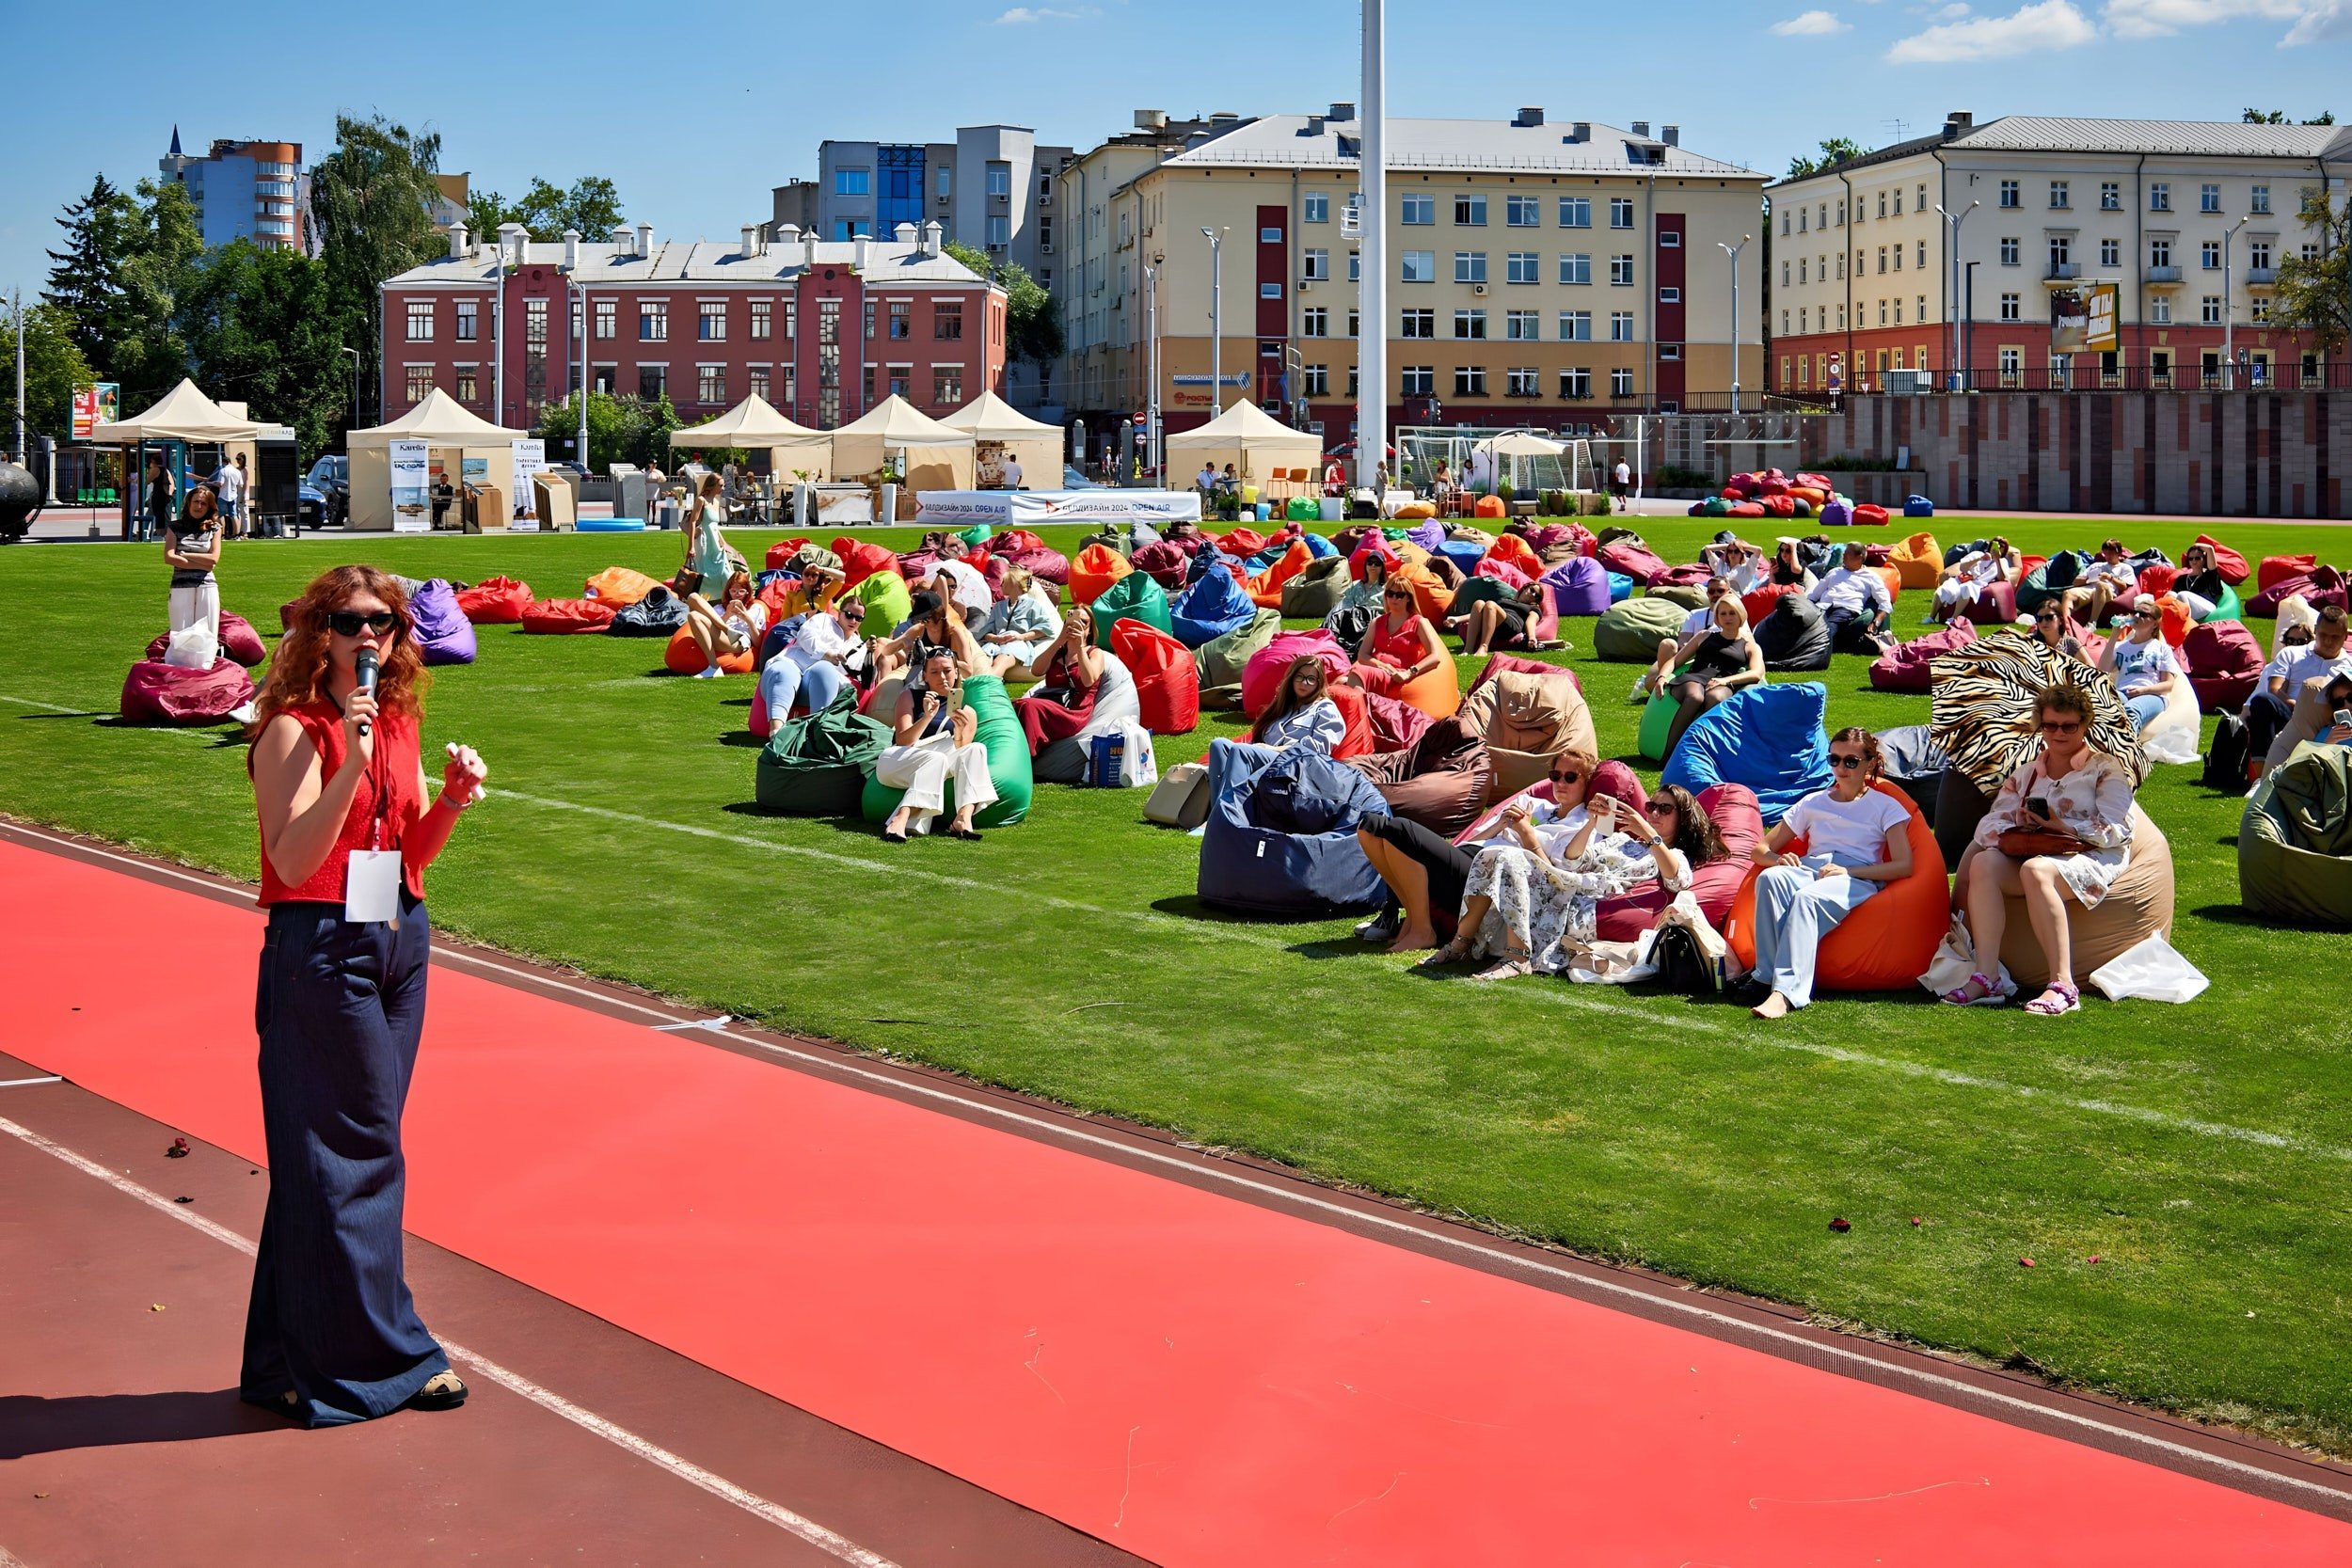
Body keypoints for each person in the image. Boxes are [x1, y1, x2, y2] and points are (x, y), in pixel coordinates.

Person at [243, 564, 489, 1424]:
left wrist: (452, 800)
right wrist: (347, 756)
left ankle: (281, 1357)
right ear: (318, 634)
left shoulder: (402, 722)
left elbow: (408, 854)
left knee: (333, 1156)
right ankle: (394, 1355)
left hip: (396, 939)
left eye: (383, 622)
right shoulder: (292, 732)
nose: (369, 637)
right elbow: (297, 857)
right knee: (361, 1154)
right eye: (349, 622)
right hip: (322, 950)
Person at [1944, 681, 2137, 1017]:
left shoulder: (2106, 769)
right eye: (2050, 725)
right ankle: (1988, 977)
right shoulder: (2027, 773)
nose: (2058, 733)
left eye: (2068, 726)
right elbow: (1989, 825)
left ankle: (2063, 984)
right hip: (2038, 849)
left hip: (2089, 853)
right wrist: (2020, 822)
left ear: (2085, 724)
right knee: (1985, 863)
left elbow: (2117, 829)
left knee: (2036, 870)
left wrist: (2062, 826)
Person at [1356, 749, 1603, 953]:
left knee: (1400, 829)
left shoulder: (1580, 826)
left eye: (1570, 777)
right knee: (1371, 827)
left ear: (1587, 782)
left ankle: (1422, 931)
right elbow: (1470, 839)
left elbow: (1554, 878)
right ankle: (1412, 920)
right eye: (1555, 775)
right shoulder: (1535, 804)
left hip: (1488, 876)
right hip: (1470, 855)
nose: (1560, 783)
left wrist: (1526, 834)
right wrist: (1499, 825)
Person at [1745, 728, 1914, 1019]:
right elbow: (1760, 850)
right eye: (1834, 760)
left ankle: (1785, 994)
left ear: (1870, 763)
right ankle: (1766, 975)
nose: (1841, 768)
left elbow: (1904, 865)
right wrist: (1777, 859)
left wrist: (1847, 870)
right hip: (1813, 867)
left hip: (1857, 877)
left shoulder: (1886, 806)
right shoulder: (1813, 802)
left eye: (1851, 761)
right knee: (1770, 879)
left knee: (1807, 899)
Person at [877, 649, 995, 842]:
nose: (942, 677)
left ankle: (963, 818)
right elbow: (903, 741)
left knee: (977, 749)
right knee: (936, 758)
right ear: (925, 675)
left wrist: (958, 733)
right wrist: (927, 717)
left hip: (938, 764)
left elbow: (961, 757)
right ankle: (901, 817)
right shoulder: (910, 697)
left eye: (947, 670)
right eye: (934, 672)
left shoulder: (967, 712)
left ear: (956, 672)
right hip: (898, 761)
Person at [1652, 595, 1767, 758]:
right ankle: (1670, 755)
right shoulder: (1704, 636)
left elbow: (1757, 673)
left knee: (1716, 697)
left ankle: (1706, 755)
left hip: (1723, 683)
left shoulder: (1750, 646)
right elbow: (1676, 660)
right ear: (1717, 618)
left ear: (1741, 615)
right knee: (1695, 696)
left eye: (1732, 613)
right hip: (1693, 678)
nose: (1728, 618)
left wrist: (1725, 680)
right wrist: (1662, 676)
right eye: (1723, 614)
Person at [2246, 605, 2352, 758]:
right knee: (2263, 701)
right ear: (2315, 630)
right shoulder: (2292, 654)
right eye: (2323, 635)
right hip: (2291, 715)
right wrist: (2301, 706)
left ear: (2345, 636)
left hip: (2325, 722)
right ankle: (2260, 771)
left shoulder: (2348, 667)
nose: (2328, 641)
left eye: (2334, 637)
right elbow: (2275, 689)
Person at [1013, 603, 1114, 753]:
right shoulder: (1059, 653)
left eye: (1084, 622)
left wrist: (1080, 647)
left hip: (1073, 713)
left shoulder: (1094, 653)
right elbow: (1036, 670)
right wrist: (1060, 640)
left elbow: (1088, 680)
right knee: (1013, 705)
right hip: (1050, 706)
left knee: (1029, 706)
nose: (1078, 625)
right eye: (1073, 621)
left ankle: (1027, 756)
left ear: (1090, 630)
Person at [759, 594, 866, 722]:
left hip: (819, 684)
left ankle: (816, 730)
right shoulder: (823, 620)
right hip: (793, 664)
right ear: (839, 612)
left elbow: (857, 672)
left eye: (859, 618)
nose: (853, 621)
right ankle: (775, 733)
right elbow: (805, 636)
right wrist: (826, 654)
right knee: (785, 672)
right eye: (849, 615)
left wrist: (871, 654)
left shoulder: (858, 645)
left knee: (824, 670)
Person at [1352, 578, 1450, 698]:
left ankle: (1361, 710)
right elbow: (1362, 655)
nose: (1394, 599)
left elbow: (1435, 657)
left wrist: (1410, 672)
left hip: (1398, 675)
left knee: (1356, 673)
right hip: (1376, 670)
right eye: (1390, 594)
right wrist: (1383, 666)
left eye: (1399, 595)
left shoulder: (1418, 622)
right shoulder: (1376, 622)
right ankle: (1364, 706)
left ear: (1408, 598)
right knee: (1339, 682)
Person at [2099, 600, 2183, 731]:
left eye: (2143, 614)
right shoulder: (2120, 647)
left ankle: (2127, 748)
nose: (2137, 616)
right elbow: (2101, 670)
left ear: (2155, 624)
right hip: (2123, 692)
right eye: (2134, 613)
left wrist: (2143, 690)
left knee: (2131, 711)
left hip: (2152, 696)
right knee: (2104, 706)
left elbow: (2168, 685)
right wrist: (2114, 635)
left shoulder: (2161, 648)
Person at [164, 483, 225, 659]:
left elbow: (213, 560)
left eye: (203, 503)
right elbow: (169, 558)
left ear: (209, 507)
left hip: (207, 586)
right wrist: (201, 562)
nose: (199, 506)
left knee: (208, 632)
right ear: (188, 504)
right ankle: (181, 669)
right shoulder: (175, 527)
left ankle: (206, 666)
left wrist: (184, 554)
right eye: (196, 502)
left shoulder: (215, 528)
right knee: (180, 632)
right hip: (180, 586)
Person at [1808, 541, 1895, 656]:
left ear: (1859, 557)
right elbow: (1815, 594)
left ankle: (1812, 651)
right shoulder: (1834, 572)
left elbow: (1884, 601)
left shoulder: (1871, 577)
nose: (1843, 556)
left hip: (1846, 609)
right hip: (1823, 606)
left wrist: (1876, 622)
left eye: (1847, 554)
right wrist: (1805, 605)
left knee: (1828, 628)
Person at [1248, 657, 1348, 752]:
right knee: (1233, 748)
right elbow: (1258, 738)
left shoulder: (1325, 709)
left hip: (1294, 763)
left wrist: (1273, 749)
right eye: (1299, 677)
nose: (1304, 683)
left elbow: (1320, 748)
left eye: (1311, 679)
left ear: (1319, 683)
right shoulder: (1284, 704)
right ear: (1291, 678)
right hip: (1264, 757)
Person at [683, 571, 769, 679]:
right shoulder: (719, 608)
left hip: (738, 642)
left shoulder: (756, 608)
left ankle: (714, 667)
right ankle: (714, 666)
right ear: (728, 592)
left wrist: (747, 618)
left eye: (741, 591)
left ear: (748, 592)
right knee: (693, 606)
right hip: (720, 635)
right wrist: (727, 615)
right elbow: (709, 626)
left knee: (696, 613)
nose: (737, 594)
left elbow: (757, 643)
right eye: (733, 591)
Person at [977, 566, 1062, 665]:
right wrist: (996, 638)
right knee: (981, 660)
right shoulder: (999, 606)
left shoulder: (1033, 605)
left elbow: (1044, 630)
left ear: (1013, 584)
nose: (1001, 585)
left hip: (1017, 645)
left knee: (1000, 661)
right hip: (995, 644)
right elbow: (986, 632)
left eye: (1004, 582)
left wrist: (1020, 637)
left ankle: (992, 677)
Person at [1931, 535, 2019, 625]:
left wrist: (1997, 560)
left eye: (2002, 546)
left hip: (1978, 584)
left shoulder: (2002, 562)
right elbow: (1963, 567)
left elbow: (2002, 578)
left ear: (2005, 550)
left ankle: (1954, 618)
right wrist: (1979, 559)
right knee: (1945, 588)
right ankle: (1931, 617)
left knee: (1966, 588)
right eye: (1996, 544)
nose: (1998, 547)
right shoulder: (1977, 554)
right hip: (1963, 579)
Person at [678, 473, 738, 595]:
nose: (723, 488)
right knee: (702, 573)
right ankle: (701, 599)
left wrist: (724, 543)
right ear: (712, 486)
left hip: (715, 542)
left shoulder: (716, 502)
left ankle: (724, 598)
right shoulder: (701, 500)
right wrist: (691, 547)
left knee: (725, 571)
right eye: (720, 485)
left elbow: (715, 527)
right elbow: (693, 522)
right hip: (703, 542)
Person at [2063, 537, 2138, 626]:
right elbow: (2076, 582)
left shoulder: (2125, 568)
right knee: (2068, 593)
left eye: (2111, 553)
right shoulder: (2096, 565)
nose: (2108, 556)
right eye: (2105, 553)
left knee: (2101, 585)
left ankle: (2092, 623)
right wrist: (2090, 578)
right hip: (2089, 590)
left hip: (2108, 593)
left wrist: (2110, 578)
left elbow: (2124, 586)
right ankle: (2066, 623)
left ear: (2118, 553)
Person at [2173, 543, 2229, 622]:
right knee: (2170, 594)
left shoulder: (2209, 575)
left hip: (2206, 605)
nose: (2194, 561)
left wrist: (2196, 545)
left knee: (2182, 594)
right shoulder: (2181, 579)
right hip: (2189, 608)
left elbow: (2209, 549)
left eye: (2197, 558)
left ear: (2204, 559)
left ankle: (2187, 625)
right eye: (2191, 559)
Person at [2027, 600, 2091, 661]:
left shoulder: (2070, 644)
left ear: (2060, 620)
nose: (2044, 622)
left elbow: (2091, 667)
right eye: (2039, 618)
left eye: (2049, 617)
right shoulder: (2029, 642)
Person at [141, 455, 176, 544]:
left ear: (153, 462)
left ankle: (153, 533)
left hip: (159, 496)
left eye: (151, 462)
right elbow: (172, 483)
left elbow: (147, 481)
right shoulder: (166, 470)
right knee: (165, 516)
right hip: (167, 497)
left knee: (158, 516)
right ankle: (162, 533)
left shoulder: (156, 470)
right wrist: (169, 494)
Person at [213, 452, 246, 539]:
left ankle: (222, 534)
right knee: (234, 515)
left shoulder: (223, 471)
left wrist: (212, 483)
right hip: (233, 495)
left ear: (224, 462)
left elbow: (221, 483)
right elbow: (240, 484)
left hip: (223, 495)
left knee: (221, 515)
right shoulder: (237, 471)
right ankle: (236, 534)